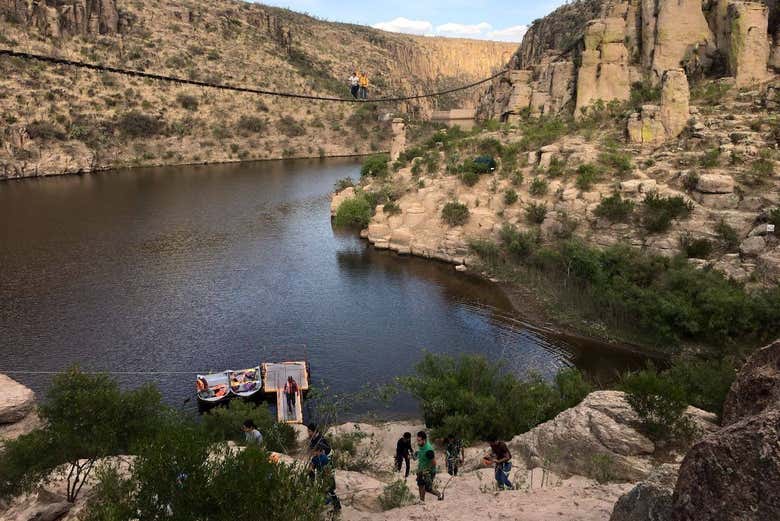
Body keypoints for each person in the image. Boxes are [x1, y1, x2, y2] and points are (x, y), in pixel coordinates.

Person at [310, 444, 341, 512]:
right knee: (322, 490)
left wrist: (326, 477)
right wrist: (312, 469)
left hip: (327, 477)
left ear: (319, 451)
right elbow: (312, 466)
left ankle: (337, 506)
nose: (314, 452)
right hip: (320, 477)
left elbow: (328, 469)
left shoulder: (325, 458)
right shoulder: (314, 458)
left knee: (330, 490)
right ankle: (326, 501)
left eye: (315, 451)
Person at [415, 431, 443, 502]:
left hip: (429, 471)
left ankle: (440, 494)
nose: (418, 442)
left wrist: (427, 470)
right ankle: (422, 501)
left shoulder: (428, 450)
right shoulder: (421, 445)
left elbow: (434, 463)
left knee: (428, 488)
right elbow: (421, 455)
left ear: (424, 440)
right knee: (420, 484)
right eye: (417, 440)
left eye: (419, 440)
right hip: (421, 469)